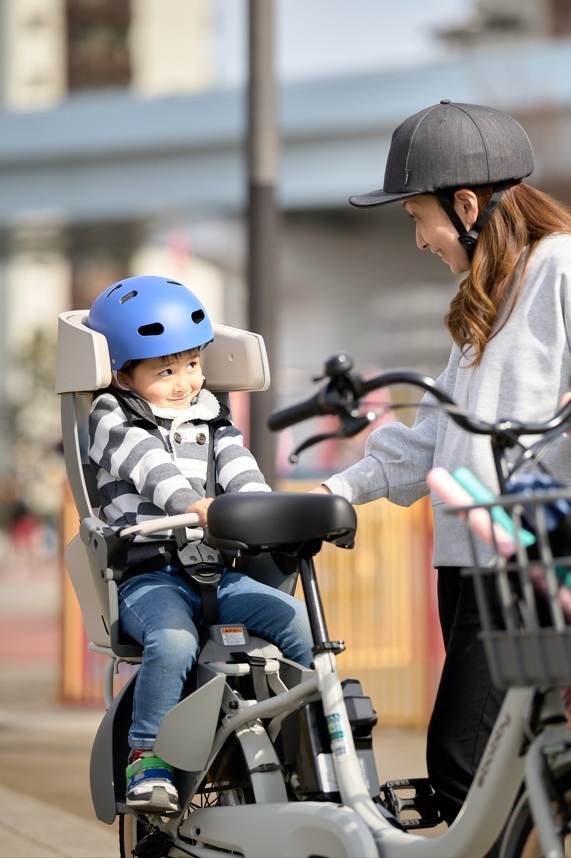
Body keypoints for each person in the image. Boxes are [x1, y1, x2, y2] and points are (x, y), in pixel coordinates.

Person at [311, 100, 571, 830]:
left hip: (527, 560)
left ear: (465, 206)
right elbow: (430, 438)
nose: (419, 238)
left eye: (415, 216)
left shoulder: (559, 268)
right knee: (512, 776)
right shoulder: (484, 300)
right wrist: (333, 492)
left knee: (463, 765)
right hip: (471, 561)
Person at [87, 275, 313, 815]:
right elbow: (147, 464)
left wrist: (261, 506)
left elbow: (239, 466)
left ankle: (308, 740)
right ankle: (147, 758)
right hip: (149, 576)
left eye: (191, 364)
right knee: (172, 642)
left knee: (297, 623)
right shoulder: (110, 415)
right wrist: (191, 503)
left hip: (218, 572)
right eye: (164, 371)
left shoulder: (210, 412)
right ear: (123, 374)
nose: (184, 381)